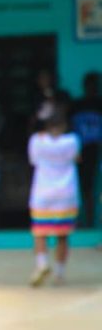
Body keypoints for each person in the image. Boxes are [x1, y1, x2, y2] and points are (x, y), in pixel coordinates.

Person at [28, 110, 81, 286]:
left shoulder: (36, 141)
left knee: (40, 233)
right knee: (63, 236)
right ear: (64, 126)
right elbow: (76, 158)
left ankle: (42, 264)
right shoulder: (72, 140)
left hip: (42, 193)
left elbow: (33, 160)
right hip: (66, 194)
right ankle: (59, 274)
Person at [71, 71, 102, 227]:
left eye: (95, 85)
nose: (92, 88)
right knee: (81, 187)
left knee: (95, 187)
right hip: (79, 150)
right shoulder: (77, 105)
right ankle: (82, 221)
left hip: (97, 149)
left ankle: (91, 222)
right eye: (90, 85)